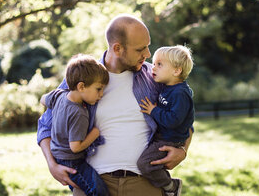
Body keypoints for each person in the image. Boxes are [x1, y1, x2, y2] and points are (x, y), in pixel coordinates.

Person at [37, 14, 193, 196]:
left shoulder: (155, 77)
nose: (148, 54)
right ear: (118, 48)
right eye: (140, 49)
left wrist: (183, 151)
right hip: (93, 182)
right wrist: (52, 165)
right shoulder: (83, 77)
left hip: (144, 183)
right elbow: (45, 125)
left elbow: (186, 118)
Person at [40, 54, 110, 196]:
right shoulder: (79, 113)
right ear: (81, 86)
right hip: (72, 161)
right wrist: (95, 133)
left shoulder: (58, 95)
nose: (101, 94)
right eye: (98, 89)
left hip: (58, 155)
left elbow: (42, 99)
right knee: (98, 190)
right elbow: (76, 147)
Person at [137, 45, 194, 196]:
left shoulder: (180, 93)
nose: (153, 68)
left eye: (159, 64)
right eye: (154, 64)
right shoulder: (167, 86)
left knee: (143, 164)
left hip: (169, 140)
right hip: (163, 137)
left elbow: (174, 120)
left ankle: (170, 186)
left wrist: (153, 110)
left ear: (177, 70)